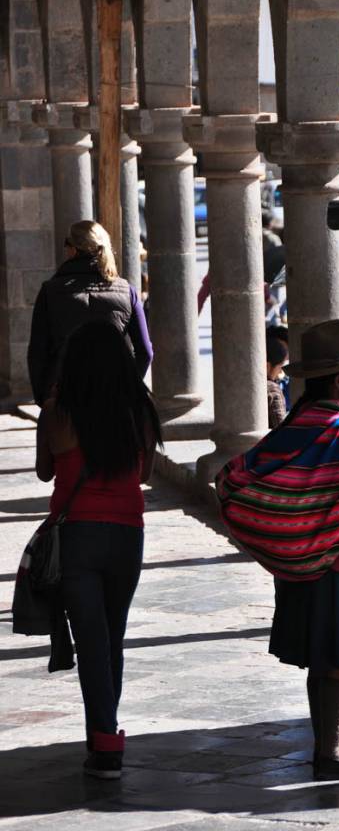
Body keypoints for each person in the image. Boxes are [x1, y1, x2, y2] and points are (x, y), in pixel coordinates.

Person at [217, 319, 339, 781]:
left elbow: (240, 474)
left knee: (321, 661)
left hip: (300, 569)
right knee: (335, 666)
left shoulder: (295, 426)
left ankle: (326, 749)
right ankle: (334, 753)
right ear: (337, 380)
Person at [35, 320, 162, 779]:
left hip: (78, 536)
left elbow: (44, 472)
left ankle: (105, 742)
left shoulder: (57, 412)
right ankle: (104, 734)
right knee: (112, 636)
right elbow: (145, 473)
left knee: (91, 640)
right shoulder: (140, 413)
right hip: (127, 533)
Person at [28, 220, 153, 406]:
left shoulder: (49, 292)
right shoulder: (127, 291)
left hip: (66, 393)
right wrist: (129, 387)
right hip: (113, 392)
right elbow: (145, 351)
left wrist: (43, 397)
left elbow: (37, 352)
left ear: (73, 250)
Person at [266, 333, 289, 428]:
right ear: (267, 366)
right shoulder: (272, 389)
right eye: (280, 367)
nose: (280, 372)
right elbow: (281, 429)